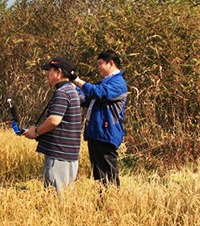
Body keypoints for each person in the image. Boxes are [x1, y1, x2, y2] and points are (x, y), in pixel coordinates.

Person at [23, 57, 83, 192]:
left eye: (49, 71)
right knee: (65, 195)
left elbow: (54, 120)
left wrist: (36, 132)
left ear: (59, 72)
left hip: (59, 154)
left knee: (56, 197)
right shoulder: (72, 90)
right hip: (68, 153)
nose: (47, 75)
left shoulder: (62, 93)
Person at [71, 49, 128, 186]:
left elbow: (98, 93)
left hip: (106, 134)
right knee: (99, 176)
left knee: (108, 174)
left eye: (100, 63)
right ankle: (103, 203)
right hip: (97, 134)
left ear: (111, 63)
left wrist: (78, 81)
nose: (98, 68)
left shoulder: (118, 83)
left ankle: (112, 203)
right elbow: (87, 98)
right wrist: (71, 85)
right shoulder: (104, 82)